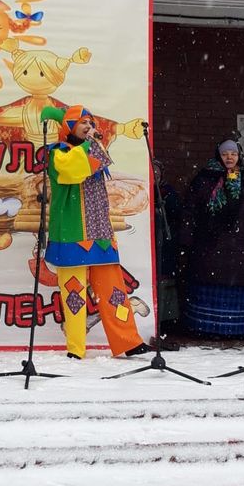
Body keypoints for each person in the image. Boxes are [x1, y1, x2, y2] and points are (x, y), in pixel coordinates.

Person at [40, 104, 150, 359]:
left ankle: (128, 341)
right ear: (69, 126)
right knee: (74, 292)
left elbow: (99, 164)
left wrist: (91, 144)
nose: (89, 127)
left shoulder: (93, 148)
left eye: (91, 123)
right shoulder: (58, 152)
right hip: (71, 230)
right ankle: (76, 347)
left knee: (113, 289)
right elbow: (72, 172)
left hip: (99, 229)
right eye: (83, 123)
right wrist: (89, 145)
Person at [180, 138, 244, 338]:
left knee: (235, 285)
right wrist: (187, 237)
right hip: (210, 241)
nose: (229, 158)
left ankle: (233, 328)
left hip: (240, 242)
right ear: (218, 155)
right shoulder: (205, 177)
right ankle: (205, 328)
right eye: (225, 154)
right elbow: (191, 209)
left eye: (233, 154)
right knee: (210, 283)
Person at [152, 159, 182, 325]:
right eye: (152, 171)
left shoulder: (167, 192)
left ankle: (165, 317)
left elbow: (176, 212)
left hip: (164, 240)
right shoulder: (141, 189)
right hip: (149, 241)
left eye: (157, 171)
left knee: (164, 277)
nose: (155, 174)